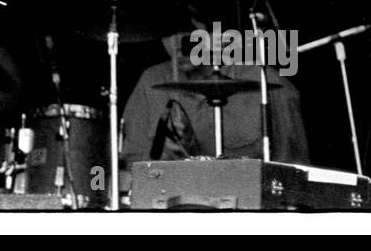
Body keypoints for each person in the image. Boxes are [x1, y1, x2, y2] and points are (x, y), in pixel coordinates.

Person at [120, 31, 309, 173]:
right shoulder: (151, 81)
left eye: (188, 30)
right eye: (169, 31)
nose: (178, 42)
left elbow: (294, 172)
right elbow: (131, 167)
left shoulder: (268, 83)